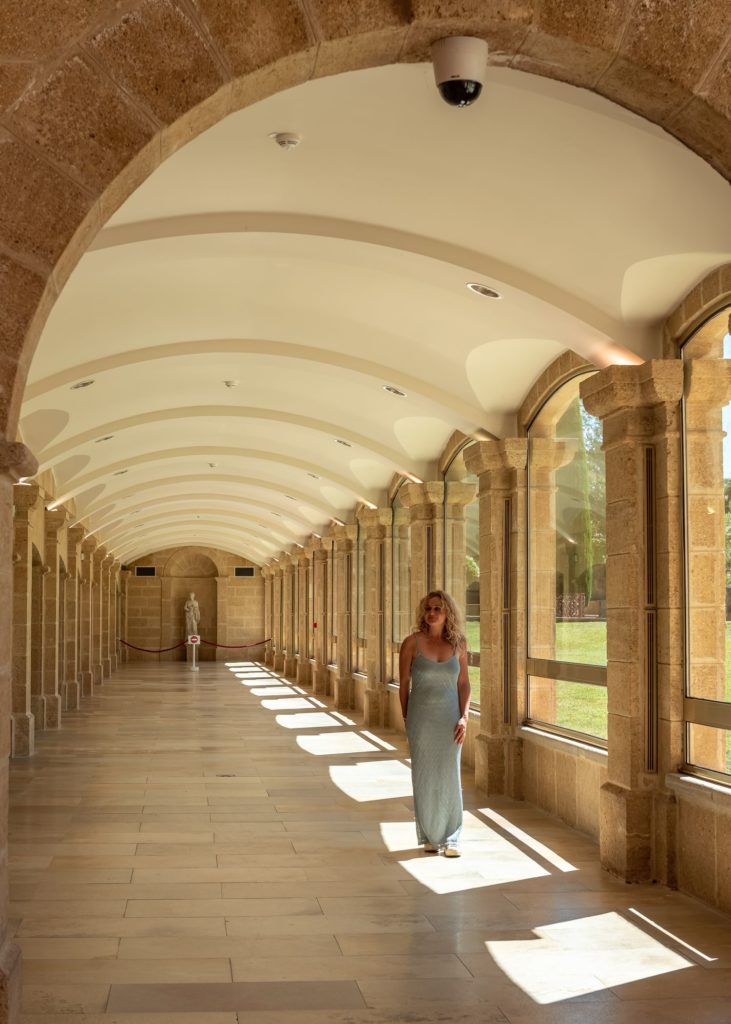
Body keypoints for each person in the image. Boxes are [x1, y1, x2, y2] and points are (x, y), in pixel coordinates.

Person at [399, 590, 470, 858]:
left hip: (450, 719)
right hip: (420, 720)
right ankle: (429, 836)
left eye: (438, 609)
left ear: (447, 612)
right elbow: (404, 683)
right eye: (428, 609)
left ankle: (452, 837)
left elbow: (464, 684)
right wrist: (407, 718)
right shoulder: (411, 643)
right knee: (424, 776)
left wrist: (464, 716)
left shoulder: (459, 644)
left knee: (450, 774)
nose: (432, 613)